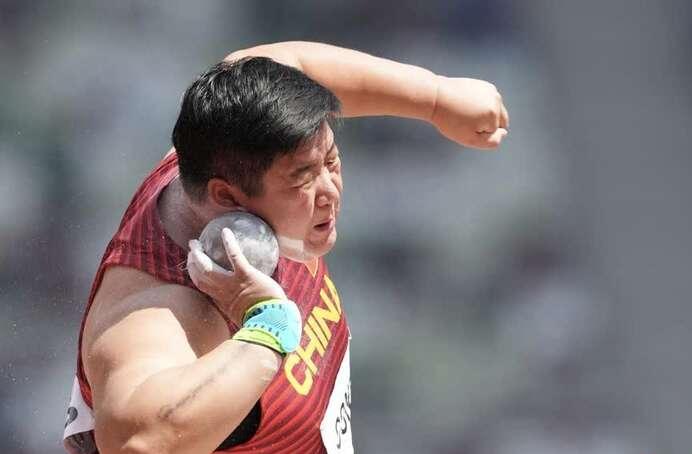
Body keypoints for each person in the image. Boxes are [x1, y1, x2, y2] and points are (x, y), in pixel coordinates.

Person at [63, 41, 509, 454]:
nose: (330, 192)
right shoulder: (159, 312)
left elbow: (294, 65)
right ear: (227, 197)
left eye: (331, 162)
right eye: (302, 178)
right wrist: (268, 328)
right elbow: (136, 443)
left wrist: (434, 98)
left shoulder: (217, 143)